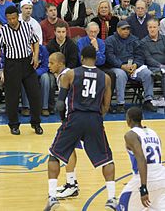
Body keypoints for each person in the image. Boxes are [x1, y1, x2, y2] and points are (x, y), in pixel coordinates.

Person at [44, 46, 116, 211]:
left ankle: (52, 197)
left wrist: (64, 121)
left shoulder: (71, 74)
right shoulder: (105, 78)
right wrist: (96, 118)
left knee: (54, 156)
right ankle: (111, 199)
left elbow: (60, 104)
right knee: (107, 159)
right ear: (95, 59)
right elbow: (106, 105)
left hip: (74, 118)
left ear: (81, 57)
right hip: (94, 119)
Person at [0, 6, 43, 135]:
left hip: (27, 63)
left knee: (35, 94)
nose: (12, 21)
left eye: (14, 18)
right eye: (9, 19)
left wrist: (36, 55)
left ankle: (36, 123)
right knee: (12, 97)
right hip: (12, 64)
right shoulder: (3, 31)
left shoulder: (26, 27)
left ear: (18, 16)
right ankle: (14, 125)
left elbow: (35, 42)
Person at [117, 106, 165, 210]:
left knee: (121, 207)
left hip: (145, 179)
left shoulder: (130, 135)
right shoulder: (154, 133)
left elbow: (141, 159)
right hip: (162, 178)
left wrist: (143, 187)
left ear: (128, 120)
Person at [105, 20, 156, 113]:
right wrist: (122, 66)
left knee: (147, 73)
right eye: (123, 29)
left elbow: (140, 55)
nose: (126, 31)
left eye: (128, 29)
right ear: (117, 29)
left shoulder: (134, 39)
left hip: (133, 67)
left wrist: (135, 65)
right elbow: (110, 57)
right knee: (120, 75)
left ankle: (148, 100)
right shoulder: (110, 40)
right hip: (118, 67)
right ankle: (120, 104)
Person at [48, 52, 80, 199]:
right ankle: (71, 183)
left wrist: (64, 118)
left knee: (62, 150)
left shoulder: (65, 76)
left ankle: (72, 185)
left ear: (60, 63)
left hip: (72, 117)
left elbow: (62, 103)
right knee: (71, 148)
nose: (49, 66)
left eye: (51, 63)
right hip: (75, 116)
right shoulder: (65, 74)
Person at [141, 18, 165, 106]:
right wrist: (161, 66)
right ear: (147, 28)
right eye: (150, 27)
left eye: (154, 27)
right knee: (163, 73)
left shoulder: (164, 39)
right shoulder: (143, 42)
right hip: (152, 67)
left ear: (158, 28)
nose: (152, 29)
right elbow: (148, 59)